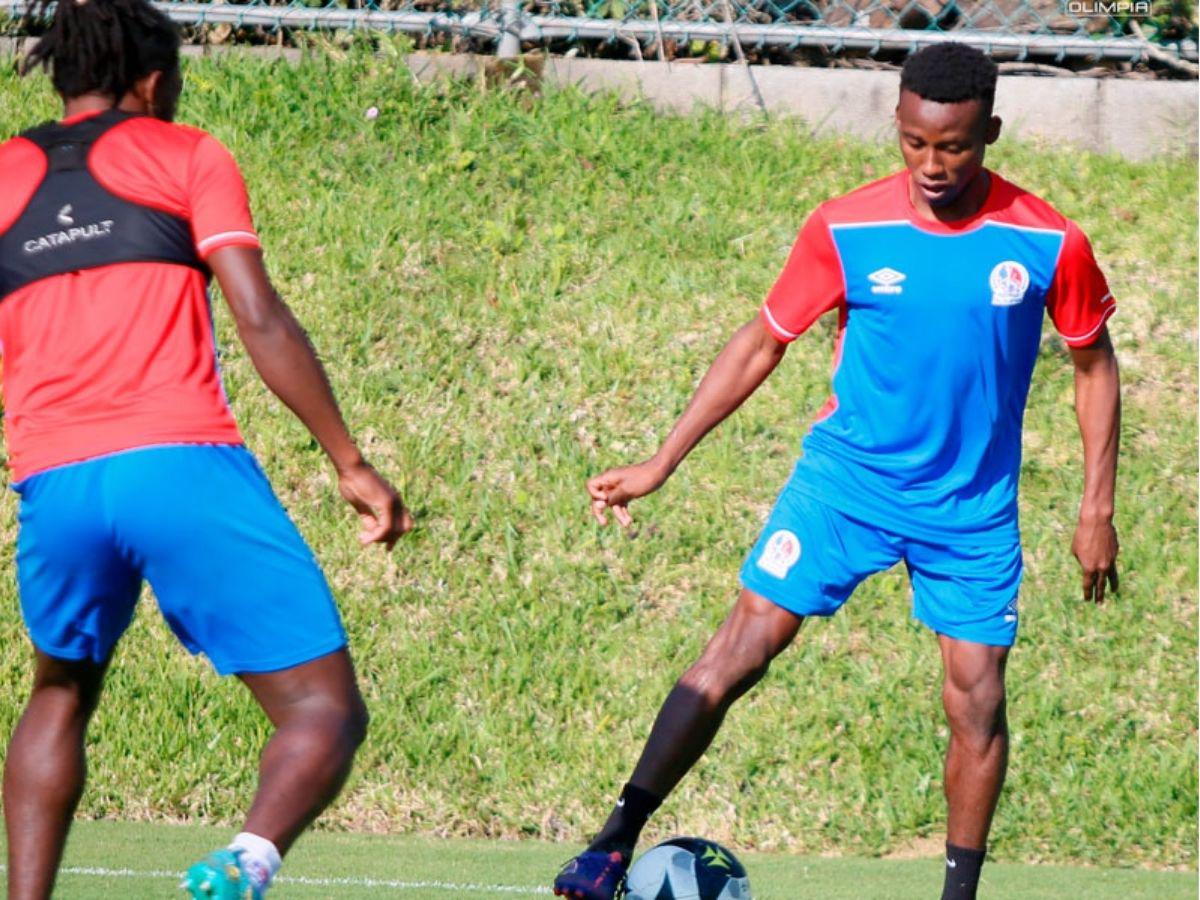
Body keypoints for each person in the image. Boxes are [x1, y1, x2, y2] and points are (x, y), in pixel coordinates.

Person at [554, 42, 1120, 900]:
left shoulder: (1047, 240)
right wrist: (661, 461)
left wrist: (1095, 509)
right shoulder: (845, 226)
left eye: (955, 146)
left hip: (968, 513)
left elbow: (1093, 365)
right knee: (739, 647)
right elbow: (761, 343)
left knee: (975, 705)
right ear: (897, 128)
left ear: (990, 133)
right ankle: (610, 843)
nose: (932, 164)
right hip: (845, 485)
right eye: (914, 143)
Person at [0, 1, 414, 897]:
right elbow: (259, 318)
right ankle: (244, 862)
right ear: (153, 81)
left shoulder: (0, 177)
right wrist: (348, 459)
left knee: (60, 691)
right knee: (323, 710)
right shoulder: (187, 156)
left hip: (53, 483)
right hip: (178, 461)